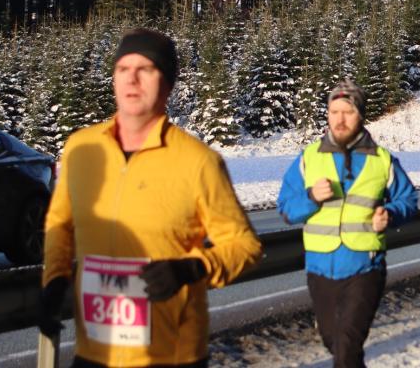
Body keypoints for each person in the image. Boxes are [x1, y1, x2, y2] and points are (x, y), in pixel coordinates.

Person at [40, 28, 262, 367]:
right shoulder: (80, 150)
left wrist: (192, 268)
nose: (132, 79)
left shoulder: (197, 161)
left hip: (170, 354)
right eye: (123, 69)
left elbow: (245, 247)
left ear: (167, 84)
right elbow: (60, 222)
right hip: (94, 352)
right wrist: (54, 279)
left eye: (146, 69)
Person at [277, 80, 418, 368]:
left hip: (365, 268)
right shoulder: (308, 158)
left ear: (361, 115)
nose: (340, 119)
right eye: (334, 111)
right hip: (319, 269)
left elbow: (409, 200)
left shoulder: (382, 160)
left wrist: (390, 213)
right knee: (335, 342)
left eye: (348, 112)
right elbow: (286, 208)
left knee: (346, 347)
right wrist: (311, 197)